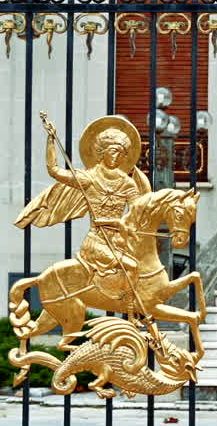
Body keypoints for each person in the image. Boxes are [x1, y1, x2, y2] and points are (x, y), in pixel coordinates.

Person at [17, 115, 153, 300]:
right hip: (96, 242)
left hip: (120, 242)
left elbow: (136, 214)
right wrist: (51, 140)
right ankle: (129, 310)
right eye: (113, 151)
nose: (117, 156)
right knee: (132, 267)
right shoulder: (88, 179)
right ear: (102, 152)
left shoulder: (128, 184)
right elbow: (54, 170)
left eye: (121, 153)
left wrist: (114, 222)